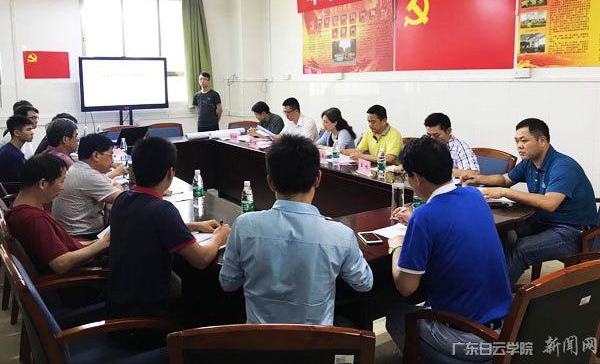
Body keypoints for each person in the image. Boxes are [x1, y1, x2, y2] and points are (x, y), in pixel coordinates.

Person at [220, 135, 373, 325]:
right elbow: (364, 283)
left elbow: (228, 283)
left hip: (259, 340)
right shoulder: (340, 234)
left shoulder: (244, 225)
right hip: (315, 341)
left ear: (270, 182)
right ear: (318, 179)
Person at [386, 137, 512, 363]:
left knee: (396, 315)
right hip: (504, 328)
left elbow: (406, 287)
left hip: (467, 337)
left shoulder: (425, 217)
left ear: (417, 178)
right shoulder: (474, 196)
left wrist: (396, 247)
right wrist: (415, 219)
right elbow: (452, 222)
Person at [107, 136, 230, 320]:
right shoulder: (162, 210)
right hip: (146, 318)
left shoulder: (122, 199)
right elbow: (201, 259)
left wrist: (194, 226)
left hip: (119, 305)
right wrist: (220, 236)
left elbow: (147, 226)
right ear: (170, 172)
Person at [462, 118, 597, 284]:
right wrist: (477, 179)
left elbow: (549, 203)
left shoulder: (563, 166)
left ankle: (492, 295)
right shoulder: (529, 163)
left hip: (573, 232)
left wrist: (504, 192)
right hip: (542, 222)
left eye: (524, 140)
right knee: (497, 235)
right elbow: (505, 179)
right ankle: (483, 282)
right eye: (517, 141)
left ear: (542, 141)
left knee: (521, 249)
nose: (519, 146)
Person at [5, 154, 110, 274]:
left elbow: (63, 245)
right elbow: (61, 264)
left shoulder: (22, 209)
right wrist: (103, 243)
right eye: (62, 181)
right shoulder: (34, 219)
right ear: (43, 184)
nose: (63, 187)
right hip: (79, 277)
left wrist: (98, 242)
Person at [52, 134, 124, 240]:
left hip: (76, 233)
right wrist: (111, 199)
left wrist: (110, 201)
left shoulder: (80, 168)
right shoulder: (87, 175)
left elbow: (114, 186)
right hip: (82, 237)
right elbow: (123, 198)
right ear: (96, 155)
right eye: (110, 155)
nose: (112, 161)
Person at [423, 113, 479, 178]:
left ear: (449, 131)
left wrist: (441, 170)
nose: (432, 139)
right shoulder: (426, 144)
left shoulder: (460, 147)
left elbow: (473, 174)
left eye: (436, 135)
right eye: (429, 135)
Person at [0, 116, 34, 183]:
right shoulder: (11, 155)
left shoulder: (10, 150)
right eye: (28, 129)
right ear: (16, 133)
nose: (32, 132)